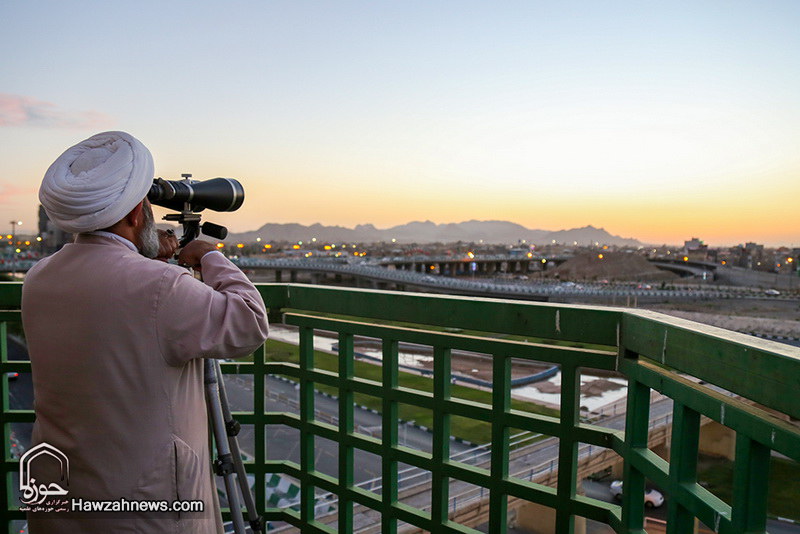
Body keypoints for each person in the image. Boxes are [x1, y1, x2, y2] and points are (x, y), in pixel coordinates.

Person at [21, 131, 268, 533]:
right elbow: (249, 323)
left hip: (61, 496)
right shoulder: (160, 286)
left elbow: (114, 291)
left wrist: (144, 254)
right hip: (148, 509)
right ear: (138, 213)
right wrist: (208, 256)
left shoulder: (38, 278)